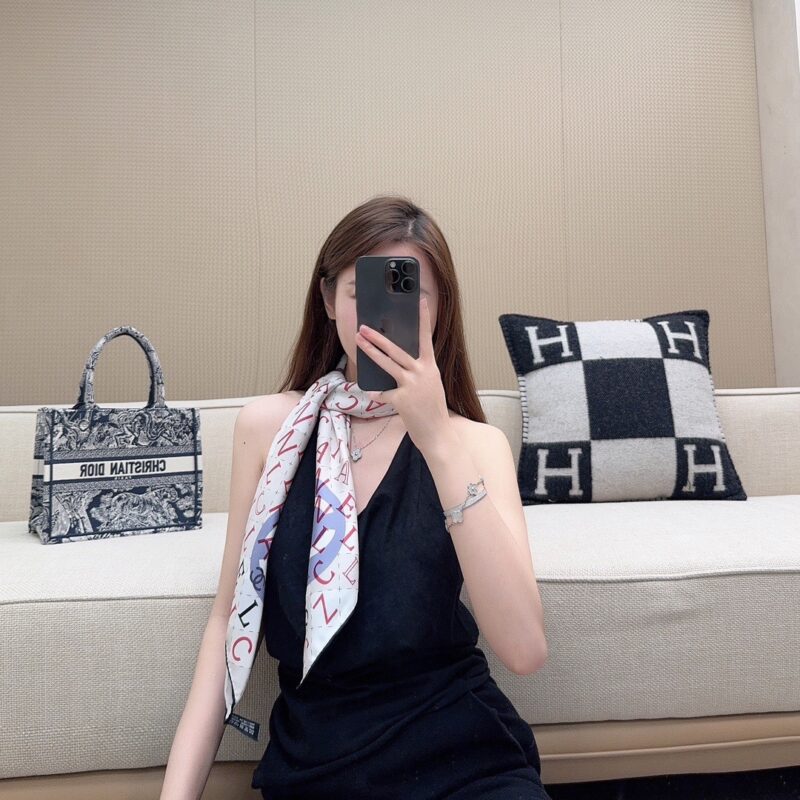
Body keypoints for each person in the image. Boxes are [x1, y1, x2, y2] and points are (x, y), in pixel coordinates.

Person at [160, 195, 552, 799]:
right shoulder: (269, 431)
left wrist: (436, 438)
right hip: (318, 765)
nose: (382, 315)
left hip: (463, 757)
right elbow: (226, 621)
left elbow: (524, 649)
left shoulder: (476, 445)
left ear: (440, 308)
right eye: (361, 291)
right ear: (327, 300)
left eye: (408, 292)